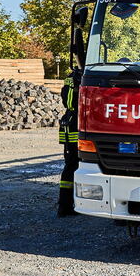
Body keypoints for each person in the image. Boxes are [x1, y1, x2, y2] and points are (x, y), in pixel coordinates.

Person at [57, 67, 82, 217]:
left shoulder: (71, 77)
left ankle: (64, 205)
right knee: (74, 166)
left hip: (69, 123)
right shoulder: (80, 78)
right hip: (76, 125)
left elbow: (65, 99)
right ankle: (66, 206)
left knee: (69, 167)